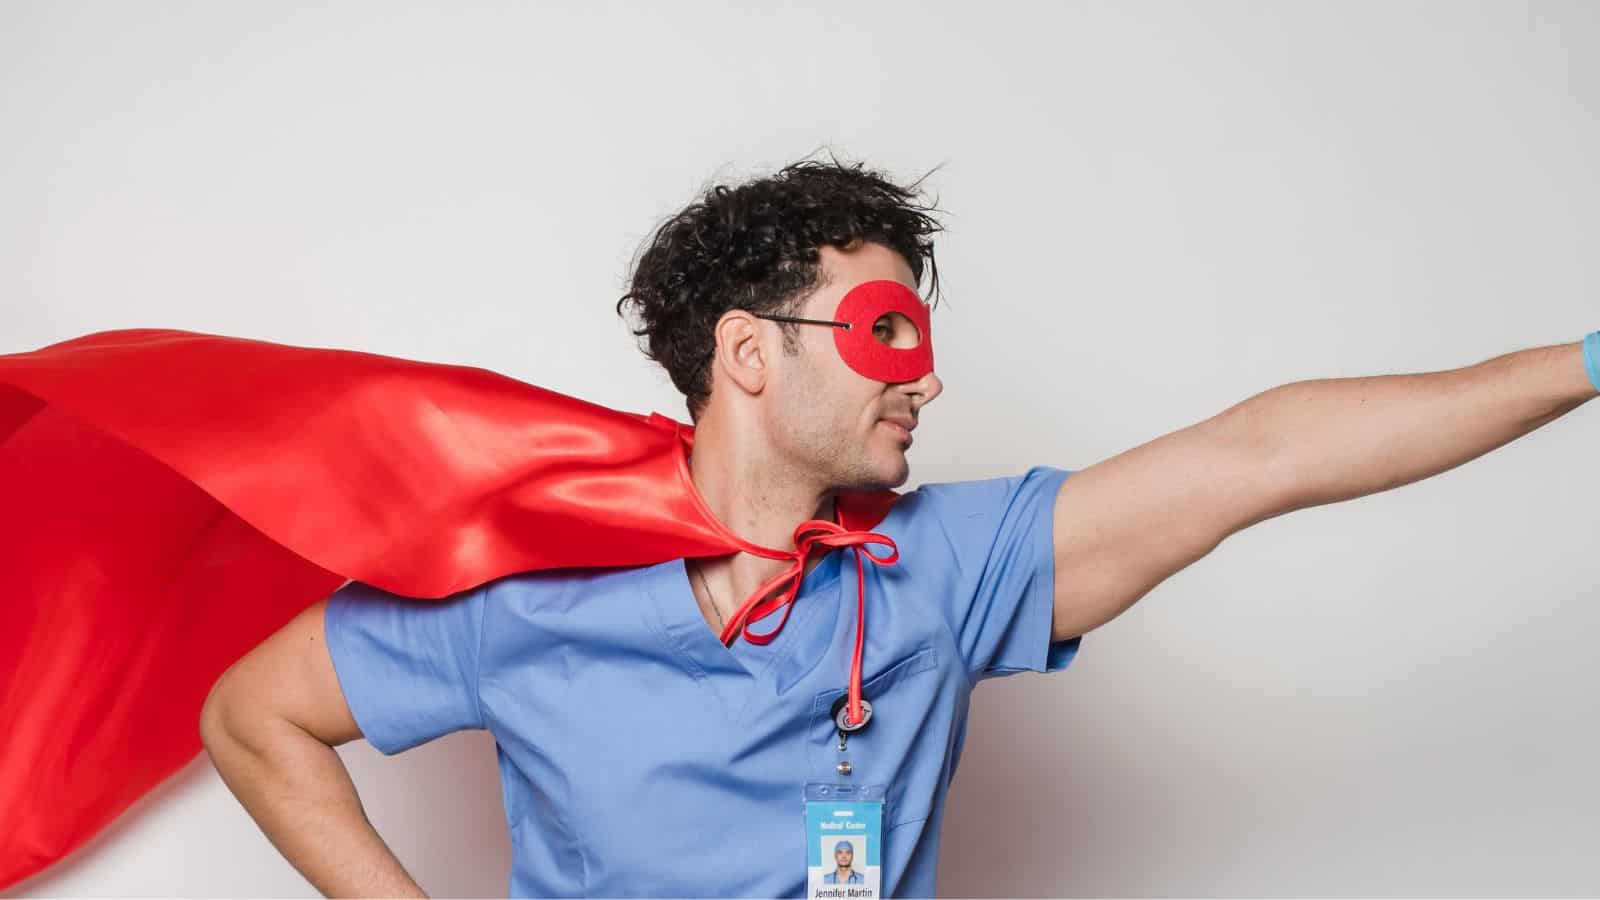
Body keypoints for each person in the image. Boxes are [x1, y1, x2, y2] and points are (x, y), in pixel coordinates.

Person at [198, 152, 1600, 899]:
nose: (923, 374)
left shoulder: (950, 566)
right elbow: (254, 716)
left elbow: (1265, 452)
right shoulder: (521, 588)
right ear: (749, 356)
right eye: (884, 331)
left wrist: (1587, 361)